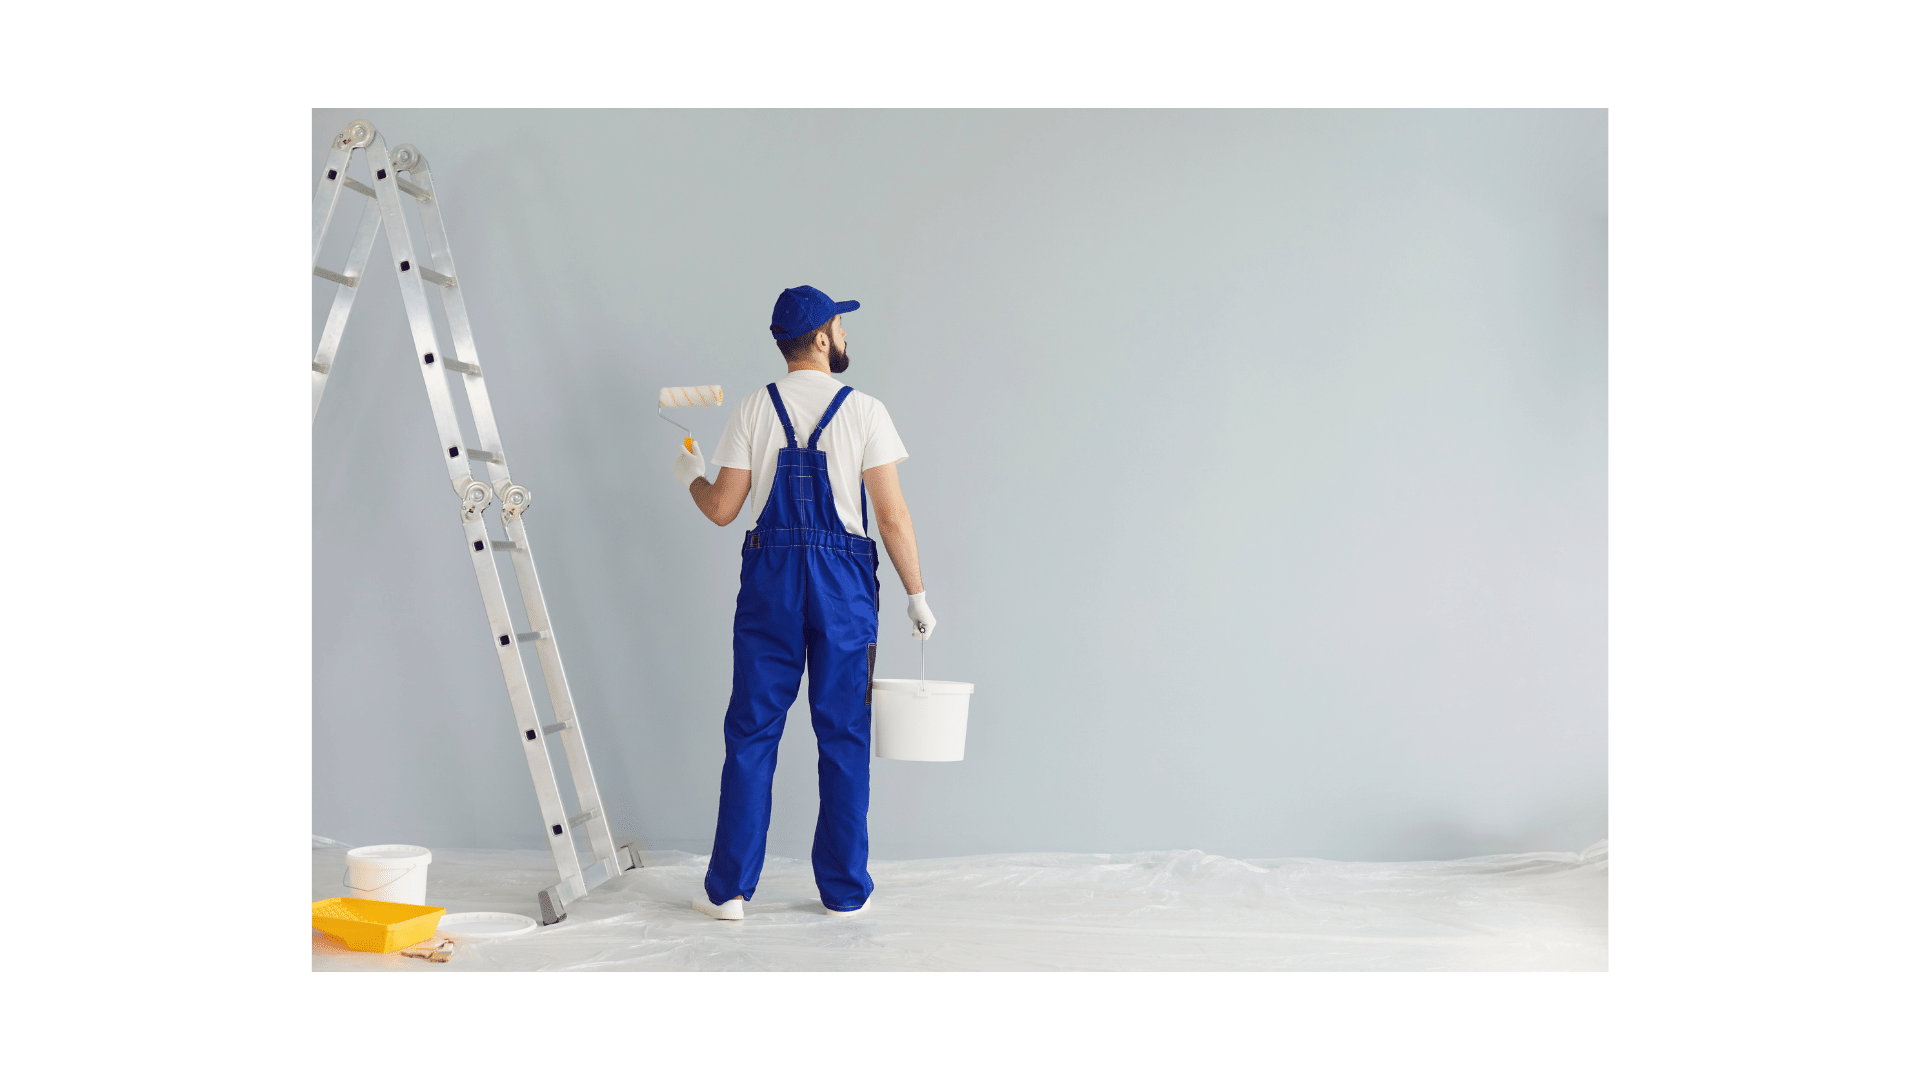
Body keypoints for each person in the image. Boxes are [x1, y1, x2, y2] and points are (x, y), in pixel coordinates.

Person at [672, 285, 936, 919]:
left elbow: (722, 510)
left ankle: (730, 891)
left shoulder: (752, 410)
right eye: (840, 326)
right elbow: (892, 517)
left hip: (771, 577)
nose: (845, 335)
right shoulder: (867, 411)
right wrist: (917, 595)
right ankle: (844, 893)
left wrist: (690, 475)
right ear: (822, 338)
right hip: (843, 584)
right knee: (843, 733)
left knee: (752, 732)